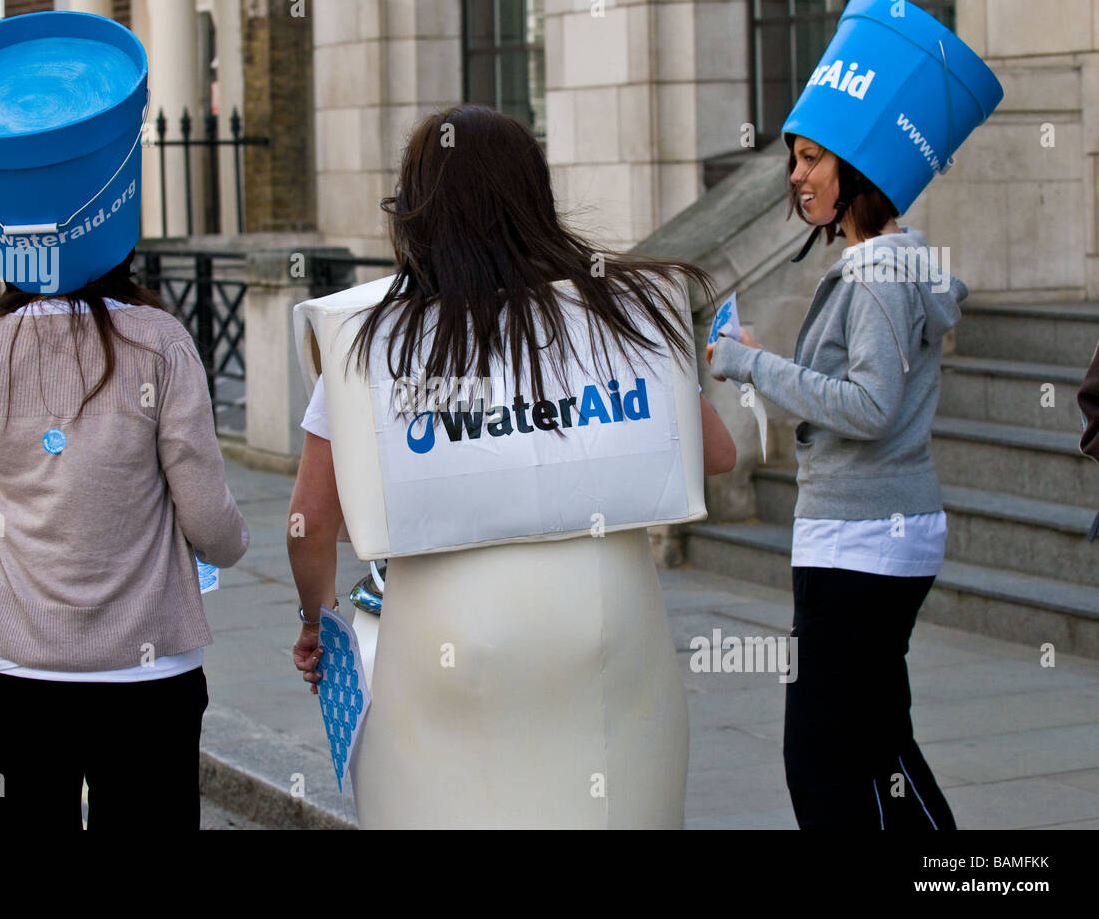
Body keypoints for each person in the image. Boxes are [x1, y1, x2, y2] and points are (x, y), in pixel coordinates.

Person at [286, 104, 737, 828]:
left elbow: (309, 522)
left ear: (417, 210)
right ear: (537, 200)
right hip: (607, 621)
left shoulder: (372, 343)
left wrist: (318, 617)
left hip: (445, 636)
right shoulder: (619, 315)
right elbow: (716, 453)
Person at [0, 159, 249, 829]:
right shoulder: (160, 343)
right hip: (146, 678)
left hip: (10, 672)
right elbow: (210, 524)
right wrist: (232, 540)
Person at [707, 131, 963, 829]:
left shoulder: (876, 272)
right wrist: (760, 357)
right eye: (794, 158)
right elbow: (857, 390)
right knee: (878, 748)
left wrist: (754, 367)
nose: (795, 175)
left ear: (861, 168)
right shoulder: (885, 264)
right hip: (872, 530)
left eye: (812, 159)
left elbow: (871, 406)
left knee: (824, 759)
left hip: (862, 537)